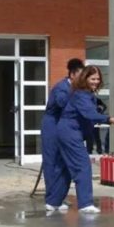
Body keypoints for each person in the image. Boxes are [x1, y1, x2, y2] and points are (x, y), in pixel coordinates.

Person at [56, 66, 114, 213]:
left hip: (69, 131)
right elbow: (89, 114)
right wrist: (109, 119)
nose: (96, 82)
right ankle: (85, 204)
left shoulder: (86, 94)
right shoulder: (81, 95)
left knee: (66, 169)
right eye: (92, 79)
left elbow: (90, 114)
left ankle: (54, 202)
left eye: (98, 79)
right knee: (83, 166)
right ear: (85, 78)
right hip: (70, 132)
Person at [40, 58, 84, 212]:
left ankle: (57, 198)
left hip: (62, 124)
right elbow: (62, 103)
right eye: (80, 75)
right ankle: (51, 199)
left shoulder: (74, 88)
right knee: (51, 162)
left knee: (62, 162)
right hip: (52, 124)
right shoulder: (62, 87)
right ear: (72, 74)